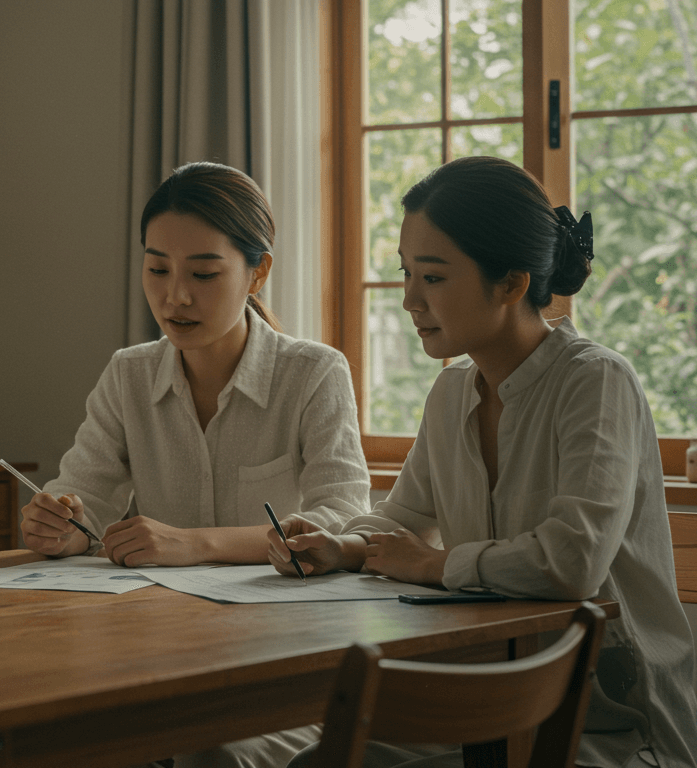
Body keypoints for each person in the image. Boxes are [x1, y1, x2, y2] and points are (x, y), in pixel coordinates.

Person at [270, 156, 697, 768]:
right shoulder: (451, 393)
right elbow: (406, 516)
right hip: (495, 713)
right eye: (406, 273)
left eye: (434, 278)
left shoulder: (595, 381)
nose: (409, 300)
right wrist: (341, 545)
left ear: (512, 283)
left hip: (613, 728)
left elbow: (571, 561)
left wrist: (437, 565)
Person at [19, 162, 371, 767]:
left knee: (210, 753)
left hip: (288, 661)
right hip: (156, 655)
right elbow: (84, 502)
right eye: (157, 268)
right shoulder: (128, 375)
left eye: (204, 274)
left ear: (257, 272)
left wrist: (196, 544)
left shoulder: (313, 373)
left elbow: (342, 516)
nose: (174, 296)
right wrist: (58, 524)